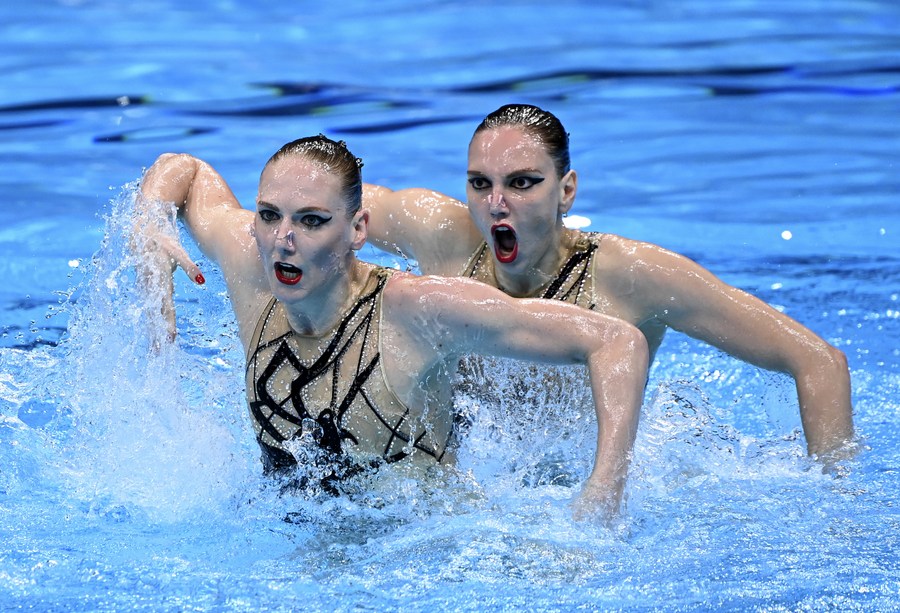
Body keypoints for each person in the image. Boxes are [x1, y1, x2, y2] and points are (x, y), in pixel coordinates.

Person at [134, 135, 649, 521]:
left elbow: (616, 340)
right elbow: (184, 169)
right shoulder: (254, 268)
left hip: (428, 555)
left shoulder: (416, 310)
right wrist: (150, 229)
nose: (282, 241)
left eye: (312, 220)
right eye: (270, 215)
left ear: (358, 229)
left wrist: (603, 493)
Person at [360, 104, 854, 462]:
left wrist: (834, 506)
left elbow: (818, 361)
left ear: (567, 190)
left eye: (522, 182)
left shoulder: (631, 275)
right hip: (461, 476)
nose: (495, 203)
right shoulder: (444, 235)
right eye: (479, 182)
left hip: (578, 482)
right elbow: (326, 200)